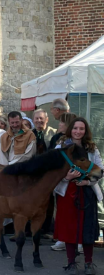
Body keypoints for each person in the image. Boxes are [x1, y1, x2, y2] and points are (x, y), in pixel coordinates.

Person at [53, 117, 102, 274]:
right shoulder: (61, 147)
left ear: (85, 131)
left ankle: (88, 263)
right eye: (75, 128)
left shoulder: (91, 149)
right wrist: (66, 178)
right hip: (67, 192)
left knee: (87, 227)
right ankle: (71, 263)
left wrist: (88, 183)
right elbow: (52, 170)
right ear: (70, 129)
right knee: (69, 227)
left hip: (87, 192)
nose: (78, 131)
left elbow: (100, 169)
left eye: (81, 129)